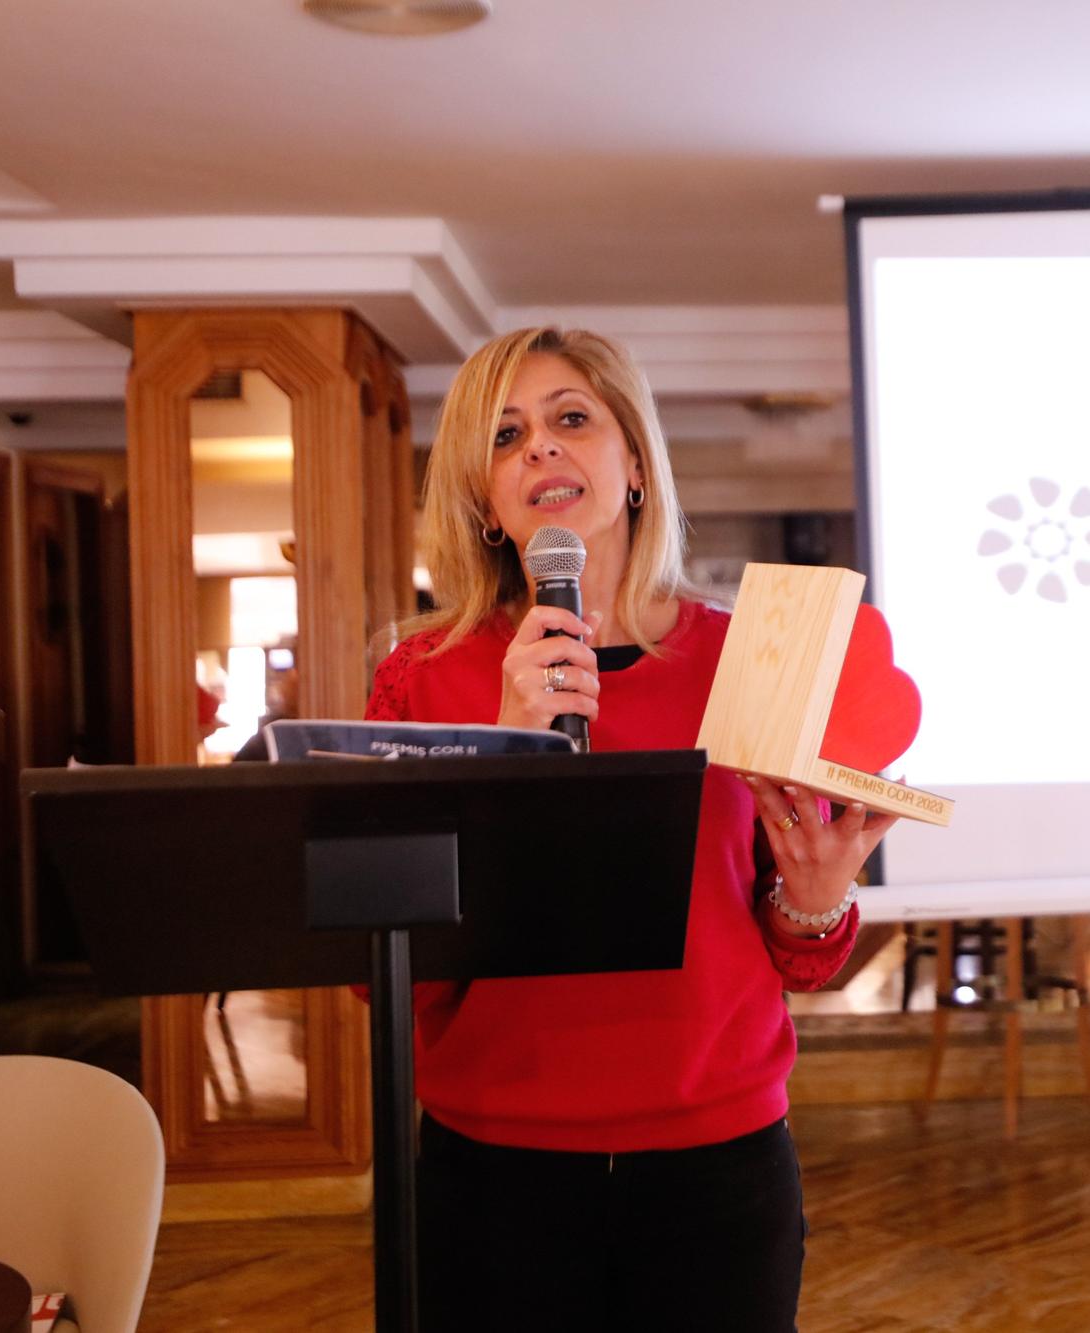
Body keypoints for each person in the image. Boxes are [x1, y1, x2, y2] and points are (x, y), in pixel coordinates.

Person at [366, 326, 899, 1331]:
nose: (540, 449)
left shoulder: (749, 660)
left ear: (638, 465)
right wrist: (504, 757)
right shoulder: (421, 680)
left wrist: (816, 898)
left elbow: (798, 952)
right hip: (495, 1170)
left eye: (572, 418)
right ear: (485, 498)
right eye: (505, 435)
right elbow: (383, 967)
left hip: (718, 1166)